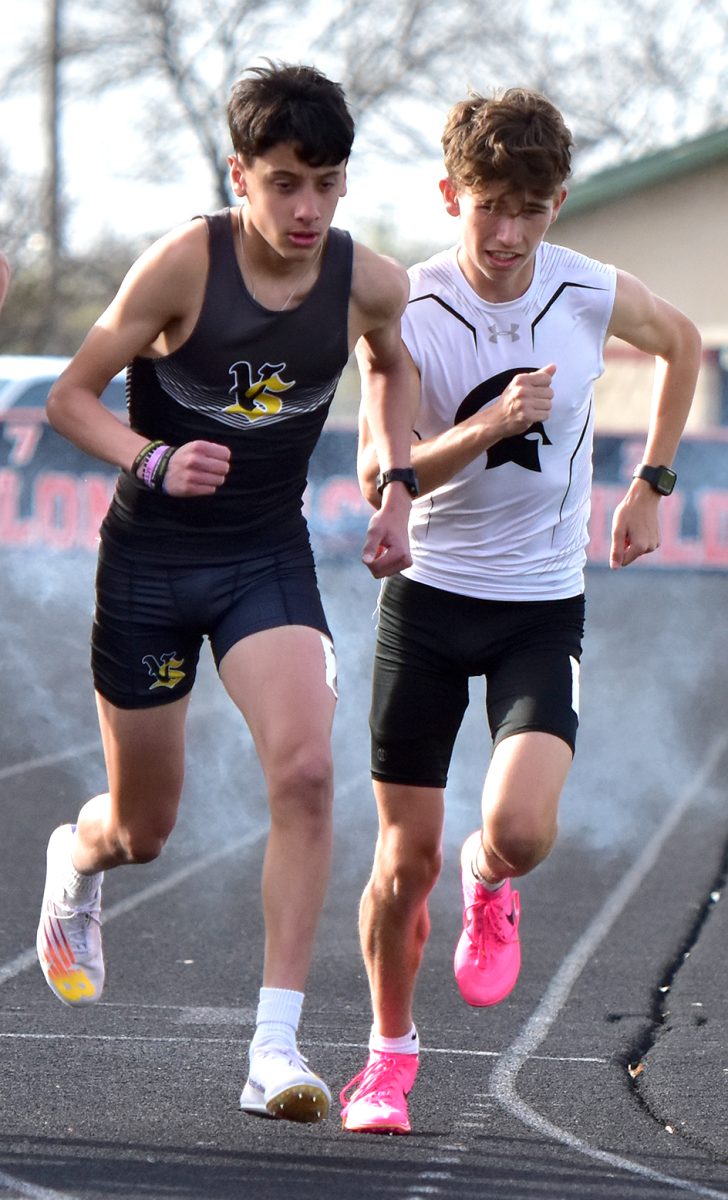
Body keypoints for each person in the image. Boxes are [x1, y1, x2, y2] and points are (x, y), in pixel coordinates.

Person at [35, 60, 414, 1126]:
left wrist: (393, 481)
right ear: (239, 173)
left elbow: (391, 363)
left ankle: (273, 1048)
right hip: (152, 563)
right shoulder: (180, 268)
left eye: (327, 184)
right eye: (286, 182)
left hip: (264, 556)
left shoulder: (365, 280)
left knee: (302, 772)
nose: (307, 209)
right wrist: (150, 459)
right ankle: (78, 857)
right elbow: (69, 397)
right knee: (143, 827)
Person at [340, 87, 702, 1135]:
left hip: (540, 608)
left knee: (518, 827)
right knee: (397, 860)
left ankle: (488, 879)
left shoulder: (588, 292)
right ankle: (387, 1063)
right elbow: (381, 469)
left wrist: (650, 483)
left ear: (557, 203)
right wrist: (490, 420)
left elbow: (683, 346)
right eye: (487, 203)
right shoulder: (404, 305)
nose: (505, 232)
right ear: (450, 192)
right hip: (428, 599)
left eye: (530, 208)